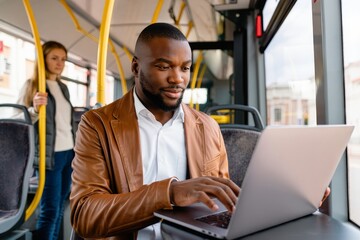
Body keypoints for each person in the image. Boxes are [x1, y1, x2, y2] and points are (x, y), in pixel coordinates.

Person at [70, 23, 330, 240]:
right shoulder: (98, 125)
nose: (178, 79)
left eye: (184, 68)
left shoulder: (208, 127)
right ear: (136, 68)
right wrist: (169, 194)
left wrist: (288, 202)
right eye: (164, 67)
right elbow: (85, 215)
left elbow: (224, 205)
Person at [17, 41, 75, 240]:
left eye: (63, 59)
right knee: (49, 209)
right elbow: (19, 120)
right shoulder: (33, 85)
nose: (60, 63)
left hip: (69, 153)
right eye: (54, 58)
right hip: (49, 156)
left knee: (60, 206)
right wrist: (34, 110)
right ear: (43, 60)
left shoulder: (63, 87)